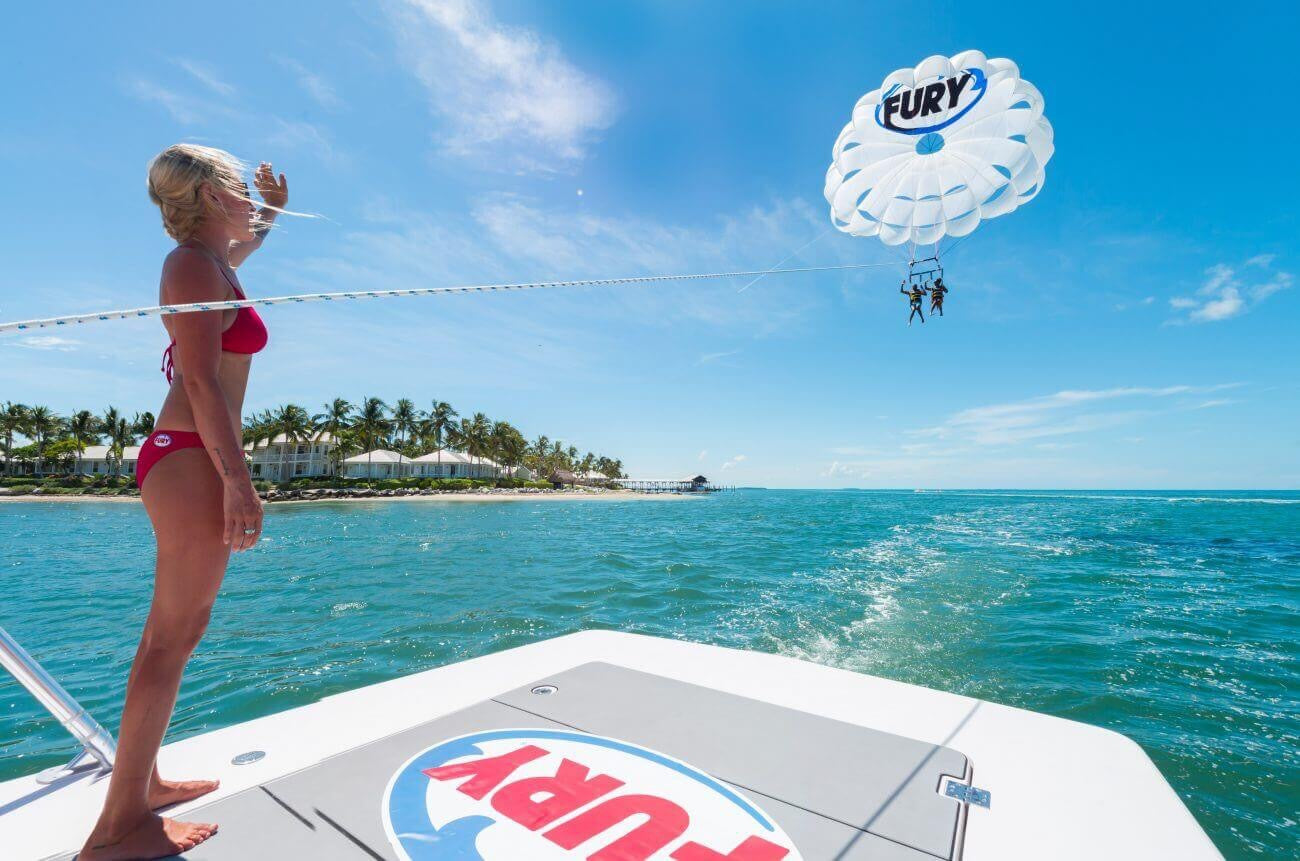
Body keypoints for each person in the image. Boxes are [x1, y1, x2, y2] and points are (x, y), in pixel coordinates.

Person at [80, 145, 287, 860]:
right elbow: (200, 382)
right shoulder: (191, 266)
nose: (243, 195)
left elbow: (251, 239)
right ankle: (117, 827)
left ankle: (147, 783)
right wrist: (240, 481)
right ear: (206, 193)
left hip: (192, 455)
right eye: (234, 184)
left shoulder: (215, 262)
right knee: (171, 639)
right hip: (192, 455)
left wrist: (272, 208)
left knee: (172, 637)